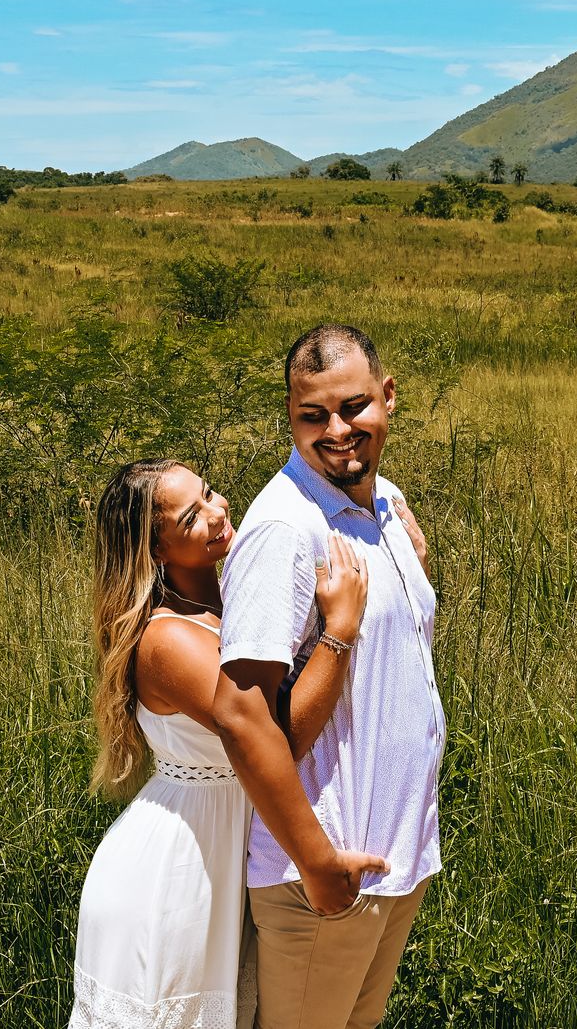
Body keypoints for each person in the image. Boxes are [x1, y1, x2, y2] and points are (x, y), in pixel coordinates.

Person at [70, 457, 387, 1029]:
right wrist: (339, 631)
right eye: (192, 517)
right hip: (174, 875)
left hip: (221, 853)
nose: (218, 513)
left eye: (211, 493)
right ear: (156, 552)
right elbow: (274, 740)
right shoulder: (167, 641)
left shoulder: (227, 604)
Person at [214, 324, 442, 1029]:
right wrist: (316, 863)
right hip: (323, 872)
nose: (337, 431)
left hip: (391, 862)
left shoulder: (383, 503)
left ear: (389, 396)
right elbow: (243, 718)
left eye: (353, 408)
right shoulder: (285, 529)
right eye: (312, 415)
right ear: (289, 414)